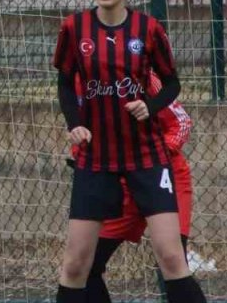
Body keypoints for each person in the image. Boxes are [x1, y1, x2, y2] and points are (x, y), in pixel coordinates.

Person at [52, 0, 206, 303]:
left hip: (147, 161)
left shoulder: (147, 30)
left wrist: (148, 107)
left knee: (171, 258)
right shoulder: (74, 29)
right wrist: (75, 125)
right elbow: (63, 85)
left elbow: (172, 85)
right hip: (97, 163)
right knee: (77, 265)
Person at [79, 73, 196, 303]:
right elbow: (82, 129)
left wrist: (159, 155)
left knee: (173, 260)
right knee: (84, 264)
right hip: (121, 179)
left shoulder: (143, 75)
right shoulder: (79, 80)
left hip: (163, 174)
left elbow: (182, 122)